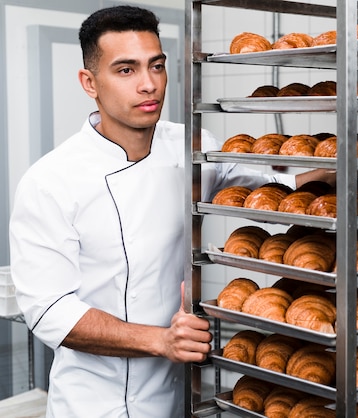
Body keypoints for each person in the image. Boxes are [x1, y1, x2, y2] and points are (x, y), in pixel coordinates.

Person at [8, 5, 334, 418]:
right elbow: (49, 309)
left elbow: (289, 187)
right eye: (126, 70)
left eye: (156, 66)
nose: (148, 85)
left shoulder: (192, 148)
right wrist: (161, 341)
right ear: (89, 82)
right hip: (93, 403)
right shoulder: (50, 181)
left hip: (178, 396)